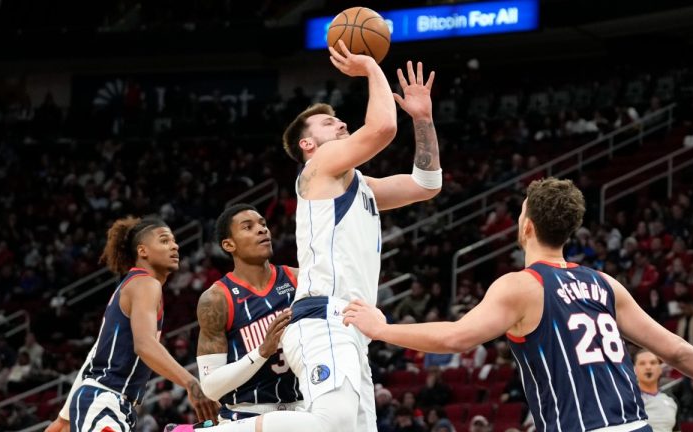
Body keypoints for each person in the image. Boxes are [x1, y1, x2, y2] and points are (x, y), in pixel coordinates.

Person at [343, 177, 693, 432]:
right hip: (634, 425)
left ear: (526, 227)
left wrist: (381, 328)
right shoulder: (605, 284)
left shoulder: (521, 286)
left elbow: (456, 338)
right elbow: (675, 350)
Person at [211, 43, 442, 432]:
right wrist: (370, 66)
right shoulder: (318, 168)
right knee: (328, 422)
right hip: (323, 319)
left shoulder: (359, 184)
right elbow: (383, 127)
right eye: (326, 123)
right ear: (308, 144)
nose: (339, 123)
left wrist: (422, 119)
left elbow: (427, 184)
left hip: (354, 329)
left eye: (337, 120)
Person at [45, 216, 217, 432]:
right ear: (142, 251)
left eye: (174, 241)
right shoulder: (146, 284)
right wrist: (191, 383)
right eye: (164, 241)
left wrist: (62, 420)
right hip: (105, 401)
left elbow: (95, 355)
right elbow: (144, 345)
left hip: (110, 403)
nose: (175, 245)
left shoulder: (133, 287)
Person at [192, 204, 303, 423]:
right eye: (248, 227)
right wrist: (261, 352)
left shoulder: (298, 279)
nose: (262, 230)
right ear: (228, 244)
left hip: (302, 409)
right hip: (246, 414)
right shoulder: (216, 299)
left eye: (263, 224)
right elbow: (211, 388)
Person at [633, 350, 678, 432]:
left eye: (653, 363)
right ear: (634, 370)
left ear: (660, 369)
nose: (648, 367)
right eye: (642, 363)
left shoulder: (671, 400)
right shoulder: (628, 400)